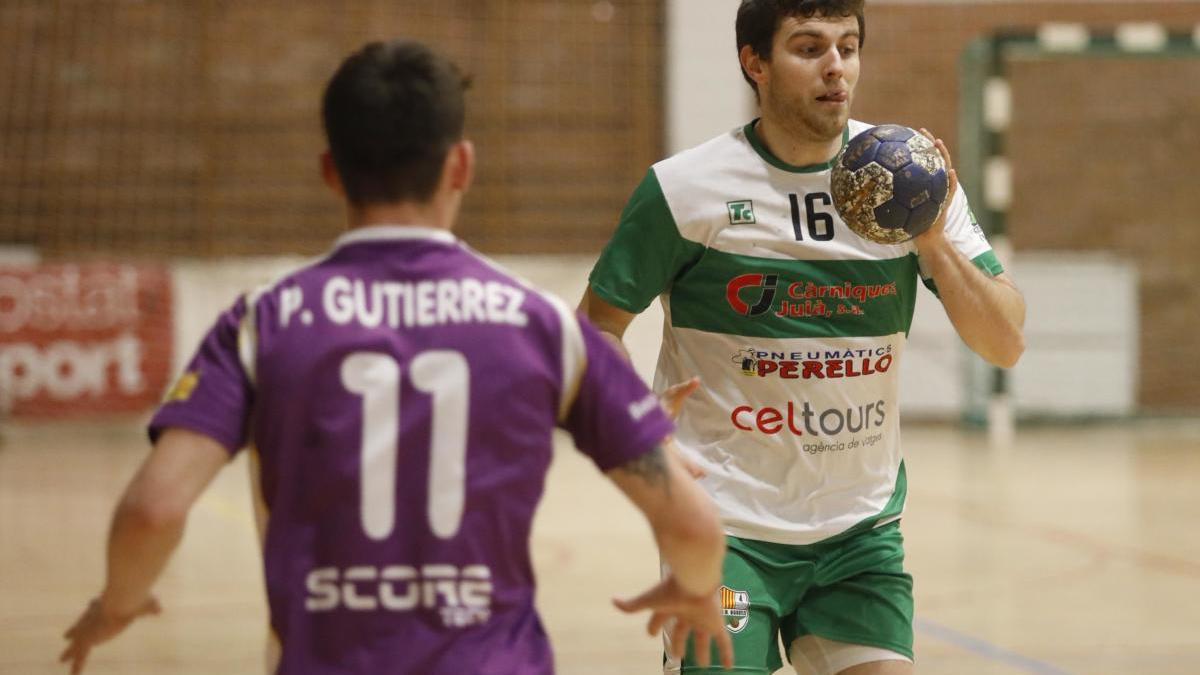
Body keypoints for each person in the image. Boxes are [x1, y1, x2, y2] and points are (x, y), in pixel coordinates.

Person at [60, 39, 734, 675]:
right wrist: (698, 587)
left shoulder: (263, 321)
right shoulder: (543, 326)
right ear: (461, 165)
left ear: (331, 170)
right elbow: (692, 525)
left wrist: (116, 602)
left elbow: (152, 508)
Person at [579, 1, 1026, 674]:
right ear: (753, 62)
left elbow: (1005, 342)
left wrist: (931, 240)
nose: (835, 68)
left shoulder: (907, 182)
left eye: (848, 47)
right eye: (809, 47)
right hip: (723, 531)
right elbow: (597, 331)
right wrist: (640, 433)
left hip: (859, 535)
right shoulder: (685, 190)